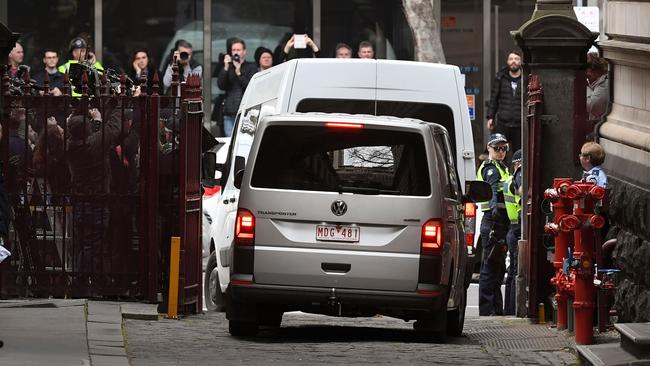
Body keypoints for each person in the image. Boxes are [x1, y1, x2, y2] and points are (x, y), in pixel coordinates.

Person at [477, 133, 511, 316]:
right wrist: (495, 211)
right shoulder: (491, 168)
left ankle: (496, 310)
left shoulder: (502, 167)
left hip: (500, 222)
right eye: (497, 148)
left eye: (504, 148)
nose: (501, 151)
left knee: (497, 269)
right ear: (489, 148)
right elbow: (491, 190)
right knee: (489, 267)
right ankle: (487, 310)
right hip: (493, 221)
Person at [217, 37, 256, 137]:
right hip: (229, 112)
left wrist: (238, 73)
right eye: (233, 50)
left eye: (238, 50)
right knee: (230, 143)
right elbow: (221, 85)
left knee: (245, 142)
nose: (236, 52)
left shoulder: (251, 67)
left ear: (244, 52)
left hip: (246, 114)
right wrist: (225, 67)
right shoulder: (228, 67)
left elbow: (251, 87)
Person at [487, 50, 523, 154]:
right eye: (511, 59)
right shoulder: (501, 77)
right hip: (503, 122)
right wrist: (490, 117)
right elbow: (494, 98)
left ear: (520, 62)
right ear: (507, 61)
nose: (513, 61)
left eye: (516, 59)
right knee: (500, 152)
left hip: (519, 124)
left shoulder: (525, 78)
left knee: (519, 154)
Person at [503, 149, 522, 316]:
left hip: (512, 228)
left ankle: (508, 309)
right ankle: (513, 309)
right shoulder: (517, 177)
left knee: (512, 272)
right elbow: (523, 194)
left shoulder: (509, 179)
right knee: (516, 271)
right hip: (517, 230)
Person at [586, 52, 610, 125]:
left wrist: (585, 87)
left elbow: (594, 107)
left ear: (597, 70)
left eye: (587, 71)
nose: (586, 75)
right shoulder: (597, 83)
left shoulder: (604, 83)